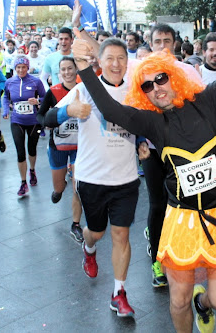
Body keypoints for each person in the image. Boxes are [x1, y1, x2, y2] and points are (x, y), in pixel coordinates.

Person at [71, 0, 216, 332]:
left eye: (161, 78)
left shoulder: (209, 100)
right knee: (177, 300)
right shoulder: (153, 124)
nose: (156, 87)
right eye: (146, 86)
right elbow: (111, 110)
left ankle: (204, 305)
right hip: (182, 220)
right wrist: (85, 68)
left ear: (174, 75)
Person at [52, 37, 140, 318]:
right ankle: (89, 247)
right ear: (99, 62)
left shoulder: (136, 91)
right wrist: (69, 111)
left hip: (126, 179)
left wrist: (143, 143)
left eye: (121, 58)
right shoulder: (85, 89)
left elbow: (145, 125)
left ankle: (119, 292)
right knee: (98, 232)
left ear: (128, 62)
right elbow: (46, 118)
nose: (115, 64)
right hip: (91, 179)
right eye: (109, 58)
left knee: (121, 235)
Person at [37, 56, 84, 242]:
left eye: (70, 68)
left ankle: (75, 224)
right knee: (59, 186)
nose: (67, 72)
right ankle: (58, 189)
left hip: (80, 147)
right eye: (63, 69)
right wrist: (46, 124)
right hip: (58, 146)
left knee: (77, 188)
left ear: (76, 70)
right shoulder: (53, 92)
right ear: (59, 73)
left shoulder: (84, 89)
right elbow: (40, 115)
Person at [2, 56, 45, 197]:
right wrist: (5, 110)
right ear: (15, 68)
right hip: (17, 120)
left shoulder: (35, 81)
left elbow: (45, 98)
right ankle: (23, 182)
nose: (21, 70)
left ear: (27, 68)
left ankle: (32, 170)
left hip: (33, 121)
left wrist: (37, 101)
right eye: (18, 67)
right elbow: (5, 97)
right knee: (20, 152)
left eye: (23, 67)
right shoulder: (9, 82)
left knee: (31, 150)